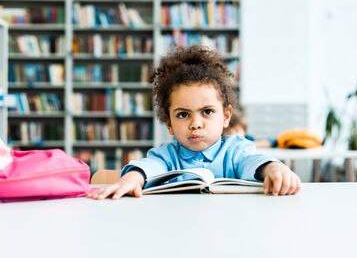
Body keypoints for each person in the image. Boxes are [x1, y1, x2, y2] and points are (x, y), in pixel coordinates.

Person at [88, 46, 301, 200]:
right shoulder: (167, 156)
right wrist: (133, 178)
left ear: (226, 116)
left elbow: (253, 161)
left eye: (207, 112)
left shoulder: (236, 150)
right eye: (182, 115)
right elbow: (150, 167)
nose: (195, 124)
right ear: (168, 123)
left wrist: (274, 169)